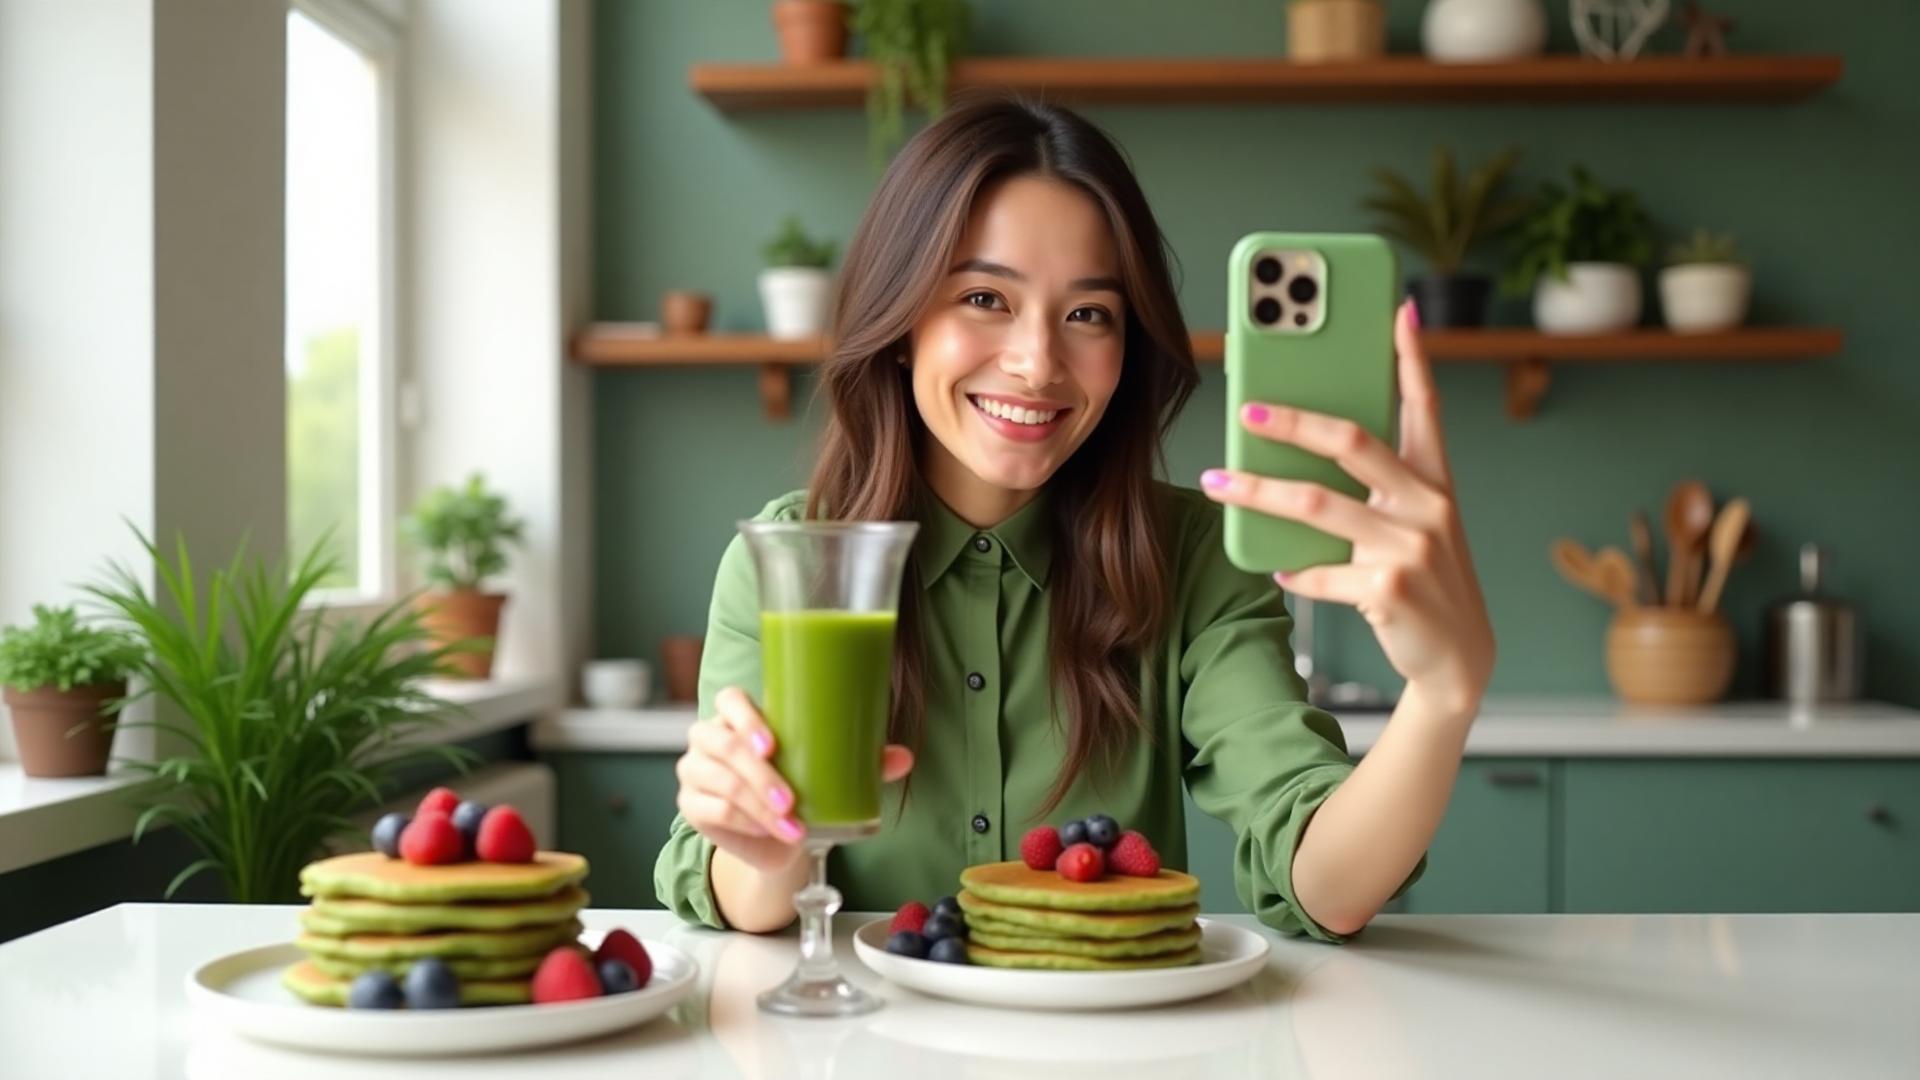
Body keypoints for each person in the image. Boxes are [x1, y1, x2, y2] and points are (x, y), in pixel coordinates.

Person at [654, 98, 1495, 942]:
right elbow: (742, 895)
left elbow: (1325, 882)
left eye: (1088, 314)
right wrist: (765, 842)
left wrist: (1443, 694)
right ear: (902, 322)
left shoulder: (1196, 561)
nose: (1037, 363)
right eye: (985, 297)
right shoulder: (792, 561)